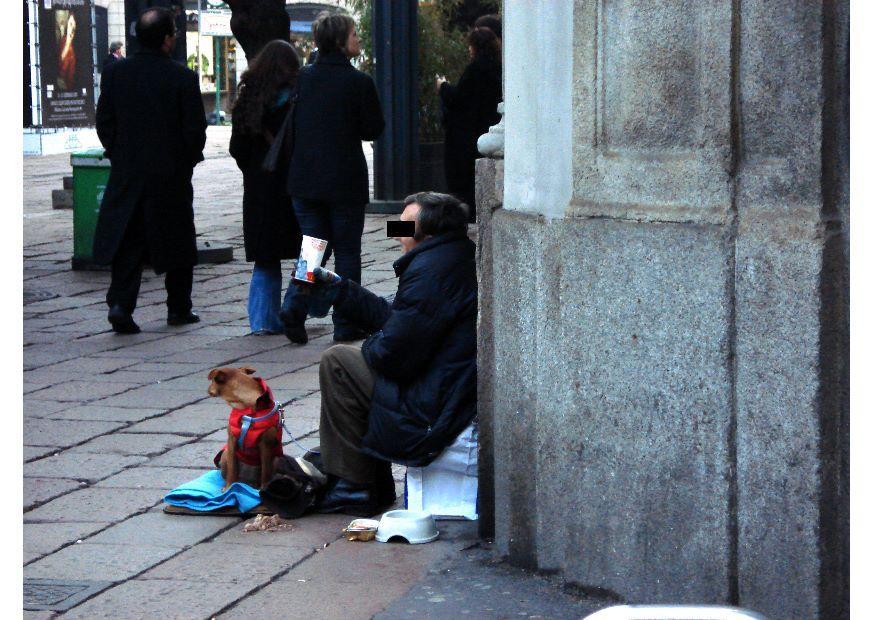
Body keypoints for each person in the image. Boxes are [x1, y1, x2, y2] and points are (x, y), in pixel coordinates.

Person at [301, 192, 477, 516]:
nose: (396, 233)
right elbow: (399, 318)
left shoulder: (432, 271)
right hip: (439, 377)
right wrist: (342, 291)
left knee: (339, 362)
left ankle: (353, 485)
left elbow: (393, 355)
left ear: (430, 233)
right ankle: (370, 483)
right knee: (348, 358)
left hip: (437, 394)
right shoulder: (444, 258)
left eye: (404, 226)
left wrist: (371, 343)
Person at [92, 8, 207, 334]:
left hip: (128, 172)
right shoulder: (183, 77)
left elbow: (105, 122)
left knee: (128, 241)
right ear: (168, 39)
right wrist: (186, 160)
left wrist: (119, 152)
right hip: (169, 174)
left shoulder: (116, 74)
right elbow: (194, 130)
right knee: (178, 242)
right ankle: (179, 308)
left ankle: (120, 304)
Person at [280, 11, 385, 345]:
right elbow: (373, 128)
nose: (357, 39)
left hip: (306, 178)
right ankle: (346, 321)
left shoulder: (303, 78)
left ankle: (294, 308)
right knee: (348, 253)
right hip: (344, 180)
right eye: (353, 34)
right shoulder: (359, 82)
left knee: (312, 249)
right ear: (341, 42)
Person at [229, 40, 303, 335]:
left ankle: (262, 321)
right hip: (295, 184)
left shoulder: (248, 100)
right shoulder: (298, 99)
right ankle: (297, 307)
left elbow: (237, 148)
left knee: (266, 257)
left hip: (260, 189)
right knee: (310, 250)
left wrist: (255, 169)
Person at [436, 27, 502, 217]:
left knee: (463, 185)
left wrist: (443, 87)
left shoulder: (476, 69)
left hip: (466, 137)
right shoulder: (497, 68)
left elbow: (459, 99)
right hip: (484, 129)